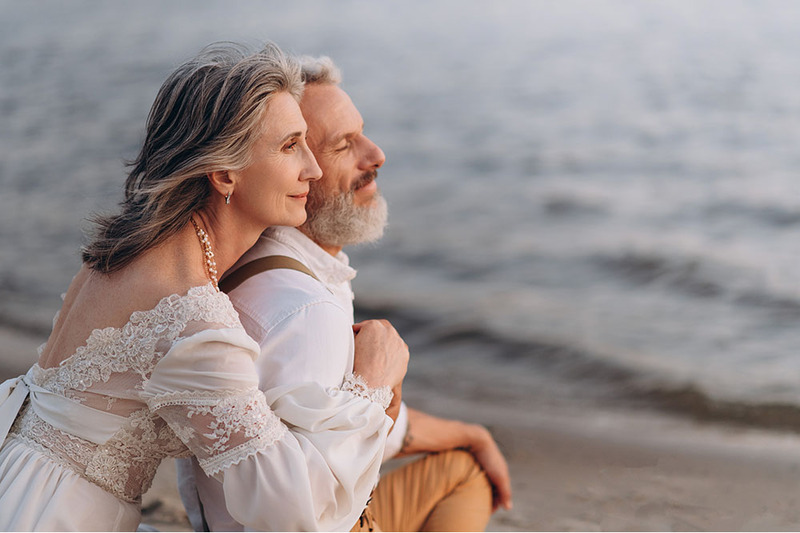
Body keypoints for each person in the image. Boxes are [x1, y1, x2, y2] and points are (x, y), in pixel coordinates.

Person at [0, 43, 408, 531]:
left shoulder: (128, 247)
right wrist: (371, 388)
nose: (313, 169)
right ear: (223, 172)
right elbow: (285, 509)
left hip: (19, 480)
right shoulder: (191, 314)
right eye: (288, 146)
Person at [179, 55, 512, 532]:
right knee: (466, 477)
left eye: (363, 133)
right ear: (295, 167)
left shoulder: (248, 263)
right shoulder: (305, 312)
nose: (376, 155)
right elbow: (301, 509)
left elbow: (335, 425)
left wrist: (470, 434)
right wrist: (376, 389)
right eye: (343, 146)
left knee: (462, 463)